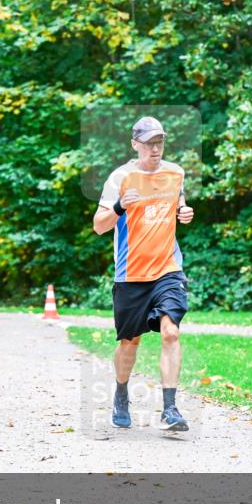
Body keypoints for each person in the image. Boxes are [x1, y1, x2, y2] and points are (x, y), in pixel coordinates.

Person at [92, 116, 195, 431]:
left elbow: (179, 204)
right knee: (130, 342)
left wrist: (184, 212)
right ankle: (121, 393)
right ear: (135, 144)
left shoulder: (175, 173)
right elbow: (99, 226)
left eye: (160, 142)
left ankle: (171, 408)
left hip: (167, 268)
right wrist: (121, 206)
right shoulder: (120, 178)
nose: (155, 149)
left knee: (171, 332)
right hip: (131, 273)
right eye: (149, 143)